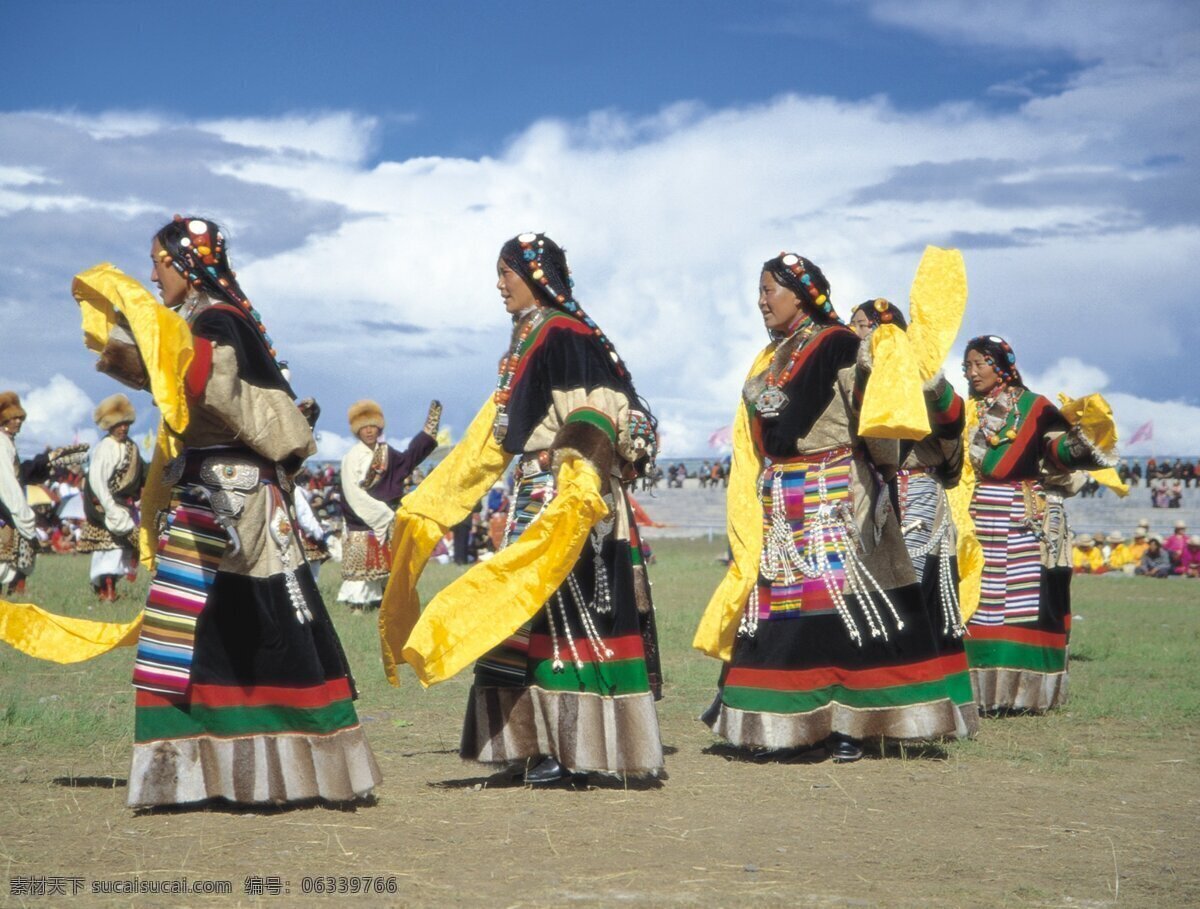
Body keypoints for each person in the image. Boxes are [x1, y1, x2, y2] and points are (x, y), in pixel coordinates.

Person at [63, 215, 378, 807]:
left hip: (234, 499)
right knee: (214, 629)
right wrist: (132, 334)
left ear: (184, 263)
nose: (154, 274)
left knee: (231, 627)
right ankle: (228, 773)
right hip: (216, 489)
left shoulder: (217, 320)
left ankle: (250, 774)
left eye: (158, 263)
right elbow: (178, 378)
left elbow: (214, 388)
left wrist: (148, 330)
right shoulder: (204, 320)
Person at [383, 232, 664, 784]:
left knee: (561, 618)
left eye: (505, 273)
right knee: (514, 613)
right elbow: (491, 436)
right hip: (533, 492)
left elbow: (595, 408)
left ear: (534, 277)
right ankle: (526, 746)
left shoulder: (565, 334)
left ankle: (573, 749)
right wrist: (432, 504)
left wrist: (577, 489)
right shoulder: (530, 339)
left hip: (567, 495)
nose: (498, 284)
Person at [695, 253, 975, 764]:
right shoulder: (774, 356)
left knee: (844, 613)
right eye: (759, 291)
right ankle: (788, 726)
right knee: (785, 611)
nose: (760, 300)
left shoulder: (840, 344)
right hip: (786, 499)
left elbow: (875, 417)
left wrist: (878, 474)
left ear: (800, 293)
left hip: (837, 494)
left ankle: (851, 726)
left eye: (769, 291)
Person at [960, 335, 1117, 713]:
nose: (972, 371)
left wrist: (1086, 433)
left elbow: (1058, 450)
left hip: (1020, 517)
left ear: (1001, 364)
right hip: (974, 515)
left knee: (1020, 603)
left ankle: (1023, 695)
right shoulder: (966, 411)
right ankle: (976, 692)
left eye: (980, 362)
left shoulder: (1034, 406)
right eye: (967, 365)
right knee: (976, 602)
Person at [849, 298, 977, 728]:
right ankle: (877, 708)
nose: (858, 334)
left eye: (864, 326)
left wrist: (923, 377)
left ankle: (926, 711)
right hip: (868, 495)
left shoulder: (918, 378)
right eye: (855, 326)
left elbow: (951, 426)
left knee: (914, 601)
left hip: (915, 493)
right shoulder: (851, 378)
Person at [337, 400, 439, 611]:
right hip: (360, 518)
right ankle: (357, 606)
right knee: (362, 571)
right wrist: (379, 514)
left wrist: (428, 431)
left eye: (372, 426)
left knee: (387, 569)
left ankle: (383, 602)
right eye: (364, 427)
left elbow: (408, 461)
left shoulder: (386, 453)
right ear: (357, 431)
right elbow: (352, 492)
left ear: (379, 427)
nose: (369, 431)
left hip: (386, 515)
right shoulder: (351, 457)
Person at [77, 394, 144, 602]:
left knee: (120, 553)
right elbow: (97, 481)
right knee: (108, 553)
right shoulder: (105, 447)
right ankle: (106, 591)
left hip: (124, 506)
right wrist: (109, 507)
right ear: (109, 425)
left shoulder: (132, 447)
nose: (123, 428)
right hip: (105, 508)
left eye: (126, 424)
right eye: (118, 424)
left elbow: (139, 477)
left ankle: (111, 589)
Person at [0, 392, 38, 595]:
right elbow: (6, 483)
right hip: (4, 513)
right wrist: (23, 513)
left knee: (10, 563)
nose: (18, 422)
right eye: (13, 418)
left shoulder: (8, 443)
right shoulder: (1, 444)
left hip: (8, 512)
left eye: (20, 418)